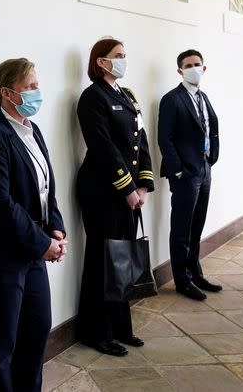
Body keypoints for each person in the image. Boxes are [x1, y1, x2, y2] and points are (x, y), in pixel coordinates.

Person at [0, 58, 67, 392]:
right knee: (1, 342)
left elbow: (46, 186)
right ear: (8, 93)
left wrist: (56, 228)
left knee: (36, 331)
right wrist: (43, 243)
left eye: (37, 84)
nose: (38, 92)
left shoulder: (31, 130)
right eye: (30, 86)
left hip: (31, 246)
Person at [75, 38, 155, 357]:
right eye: (117, 56)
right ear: (101, 62)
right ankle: (97, 332)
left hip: (129, 191)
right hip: (101, 191)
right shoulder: (92, 97)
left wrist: (144, 184)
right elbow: (102, 146)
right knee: (102, 260)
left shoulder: (128, 95)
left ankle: (122, 326)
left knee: (122, 260)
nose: (123, 60)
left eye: (124, 55)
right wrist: (126, 188)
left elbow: (141, 139)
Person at [158, 49, 221, 300]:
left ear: (204, 68)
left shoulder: (203, 97)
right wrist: (178, 170)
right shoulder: (172, 99)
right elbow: (165, 138)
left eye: (198, 64)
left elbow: (210, 129)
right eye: (188, 65)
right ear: (180, 70)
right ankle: (182, 280)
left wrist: (211, 159)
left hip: (204, 169)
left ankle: (196, 273)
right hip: (185, 173)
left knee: (197, 225)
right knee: (182, 228)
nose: (194, 68)